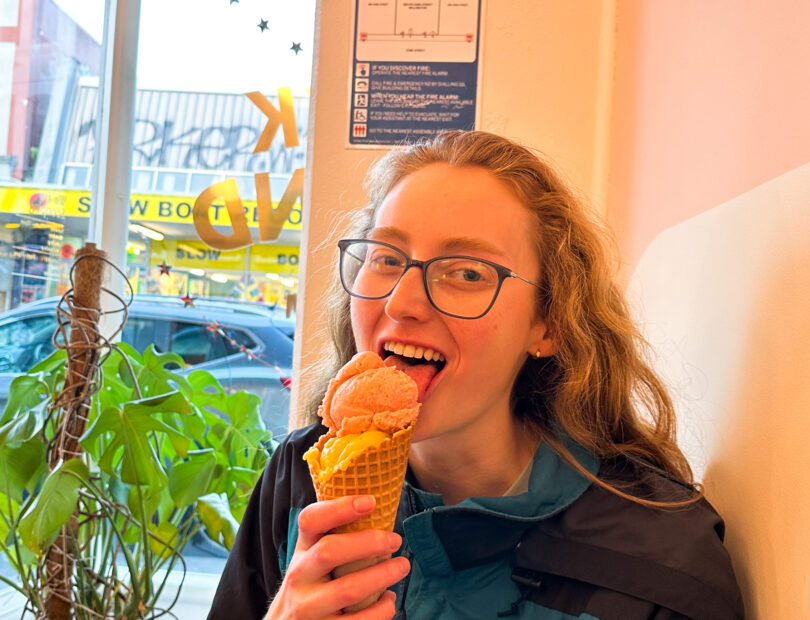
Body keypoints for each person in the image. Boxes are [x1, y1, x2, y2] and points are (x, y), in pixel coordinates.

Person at [208, 131, 743, 619]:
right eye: (386, 257)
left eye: (467, 272)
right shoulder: (299, 479)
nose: (402, 301)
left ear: (549, 323)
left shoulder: (660, 563)